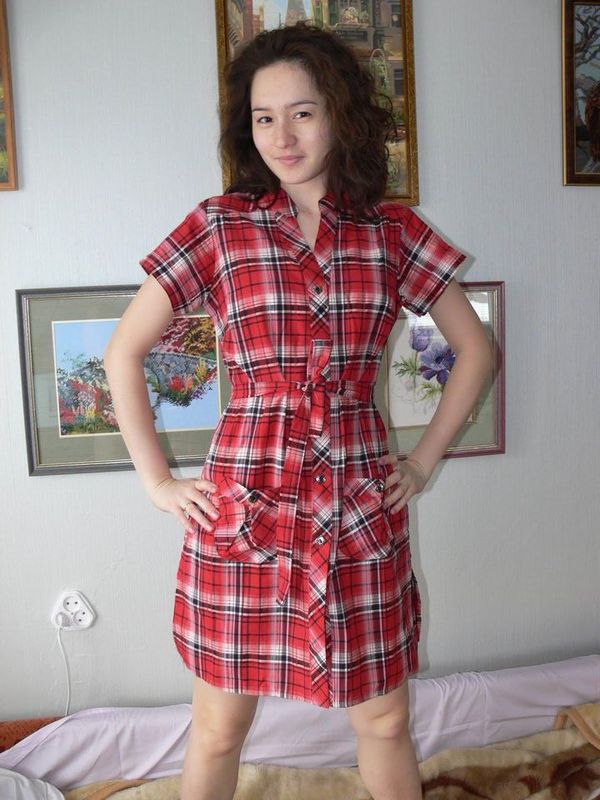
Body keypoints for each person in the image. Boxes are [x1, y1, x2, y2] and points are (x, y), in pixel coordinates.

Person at [104, 21, 493, 800]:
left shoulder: (391, 232)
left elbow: (475, 351)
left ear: (340, 114)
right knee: (219, 728)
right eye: (264, 117)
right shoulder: (219, 226)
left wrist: (422, 462)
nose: (282, 136)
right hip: (244, 509)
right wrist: (158, 483)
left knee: (385, 721)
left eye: (303, 112)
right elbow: (123, 353)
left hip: (356, 510)